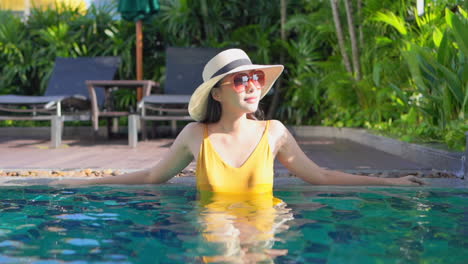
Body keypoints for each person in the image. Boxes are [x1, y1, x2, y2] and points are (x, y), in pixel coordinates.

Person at [51, 48, 425, 188]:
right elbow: (153, 177)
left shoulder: (273, 132)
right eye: (241, 79)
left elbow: (322, 176)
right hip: (216, 229)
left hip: (266, 227)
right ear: (218, 92)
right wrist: (87, 183)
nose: (252, 85)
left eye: (256, 78)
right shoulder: (195, 136)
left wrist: (394, 183)